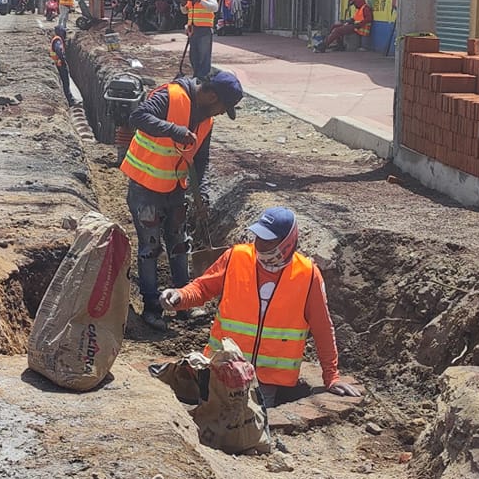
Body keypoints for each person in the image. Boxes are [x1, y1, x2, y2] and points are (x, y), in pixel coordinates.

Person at [162, 206, 359, 404]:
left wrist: (331, 376)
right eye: (258, 237)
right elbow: (202, 288)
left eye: (268, 240)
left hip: (265, 382)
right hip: (221, 370)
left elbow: (322, 328)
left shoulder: (307, 275)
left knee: (251, 428)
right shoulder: (236, 257)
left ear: (287, 242)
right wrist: (180, 296)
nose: (260, 244)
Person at [121, 69, 246, 331]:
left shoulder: (206, 122)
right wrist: (173, 130)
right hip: (145, 187)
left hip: (175, 190)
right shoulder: (170, 95)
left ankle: (183, 302)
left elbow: (201, 159)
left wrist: (200, 192)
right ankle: (152, 308)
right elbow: (138, 116)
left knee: (180, 245)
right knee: (150, 248)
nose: (222, 112)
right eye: (223, 106)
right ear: (211, 95)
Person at [183, 0, 219, 80]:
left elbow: (214, 7)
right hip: (193, 30)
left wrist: (200, 0)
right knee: (193, 56)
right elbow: (185, 10)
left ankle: (203, 77)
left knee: (204, 56)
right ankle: (196, 75)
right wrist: (182, 4)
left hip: (204, 30)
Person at [49, 22, 75, 105]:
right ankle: (70, 101)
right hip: (60, 65)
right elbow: (58, 50)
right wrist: (62, 59)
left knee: (65, 82)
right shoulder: (58, 40)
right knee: (65, 82)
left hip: (57, 64)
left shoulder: (56, 38)